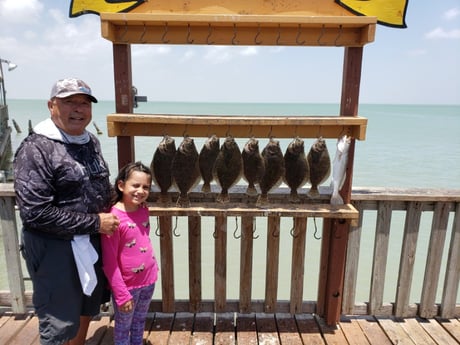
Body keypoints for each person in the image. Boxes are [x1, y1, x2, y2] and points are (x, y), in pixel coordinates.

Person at [14, 77, 120, 345]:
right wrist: (95, 223)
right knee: (60, 322)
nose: (78, 109)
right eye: (69, 102)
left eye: (84, 103)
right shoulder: (35, 148)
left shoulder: (90, 142)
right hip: (55, 248)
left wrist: (127, 200)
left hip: (91, 243)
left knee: (87, 309)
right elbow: (35, 213)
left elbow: (98, 185)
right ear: (51, 106)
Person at [101, 161, 159, 345]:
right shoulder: (113, 218)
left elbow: (143, 240)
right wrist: (121, 294)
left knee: (140, 321)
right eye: (135, 185)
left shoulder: (143, 210)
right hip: (127, 286)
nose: (140, 191)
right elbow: (109, 262)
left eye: (145, 187)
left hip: (149, 280)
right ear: (121, 185)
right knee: (123, 326)